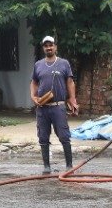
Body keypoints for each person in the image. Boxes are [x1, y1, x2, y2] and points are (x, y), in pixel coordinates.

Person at [30, 35, 79, 173]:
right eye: (46, 45)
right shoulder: (38, 65)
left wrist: (73, 100)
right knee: (43, 137)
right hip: (42, 108)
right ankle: (46, 166)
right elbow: (34, 82)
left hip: (58, 106)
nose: (48, 48)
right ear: (43, 48)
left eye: (51, 45)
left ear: (55, 47)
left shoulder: (64, 63)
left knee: (64, 136)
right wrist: (33, 96)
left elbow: (70, 82)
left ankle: (69, 166)